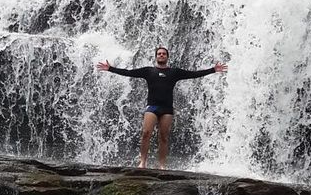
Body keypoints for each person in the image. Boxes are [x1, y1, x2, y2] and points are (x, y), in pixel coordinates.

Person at [96, 47, 227, 169]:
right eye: (159, 54)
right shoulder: (148, 71)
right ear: (156, 57)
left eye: (164, 54)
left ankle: (162, 165)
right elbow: (129, 72)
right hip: (152, 107)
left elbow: (194, 74)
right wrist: (110, 69)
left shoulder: (174, 72)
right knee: (146, 133)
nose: (161, 55)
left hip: (167, 109)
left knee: (164, 137)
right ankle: (142, 162)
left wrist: (213, 70)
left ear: (167, 57)